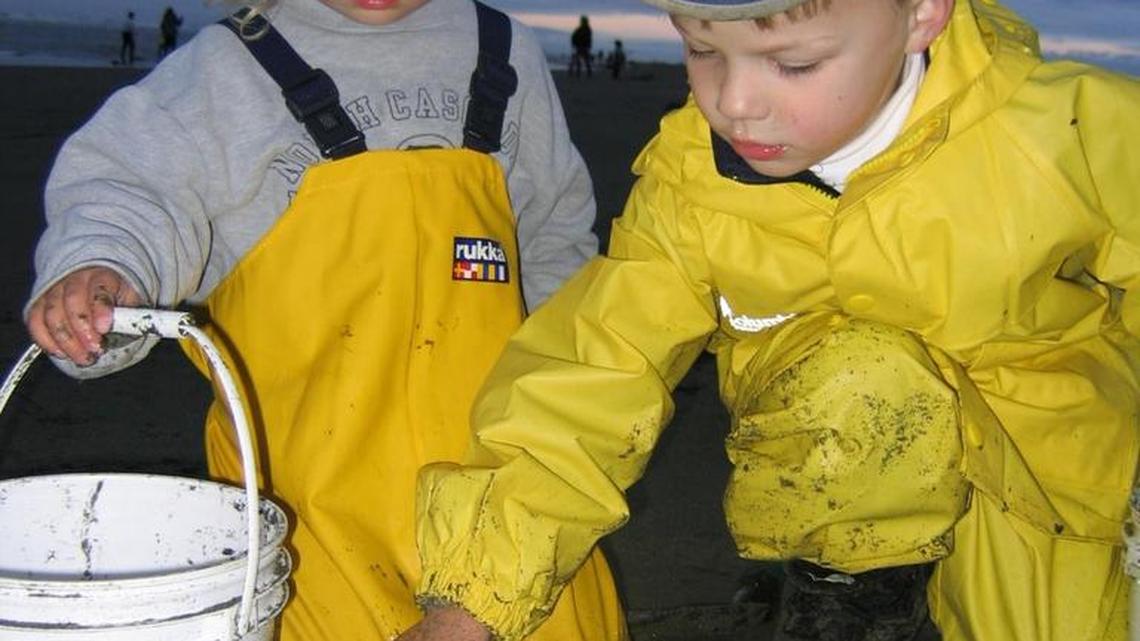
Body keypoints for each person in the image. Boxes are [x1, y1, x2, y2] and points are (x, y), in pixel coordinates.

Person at [403, 0, 1140, 640]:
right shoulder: (691, 187)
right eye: (701, 50)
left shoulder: (1064, 128)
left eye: (792, 64)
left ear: (921, 15)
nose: (736, 104)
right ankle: (834, 601)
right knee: (866, 377)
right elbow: (597, 368)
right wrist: (473, 599)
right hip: (834, 493)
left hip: (1048, 475)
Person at [23, 1, 627, 640]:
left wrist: (571, 382)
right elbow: (131, 187)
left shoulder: (507, 51)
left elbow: (555, 238)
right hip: (308, 519)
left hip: (506, 499)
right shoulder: (223, 69)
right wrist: (103, 269)